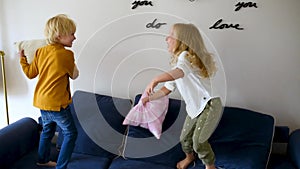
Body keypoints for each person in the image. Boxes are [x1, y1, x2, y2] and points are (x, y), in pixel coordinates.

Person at [142, 23, 223, 169]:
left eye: (171, 36)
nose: (167, 38)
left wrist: (155, 79)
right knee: (184, 139)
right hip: (194, 108)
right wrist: (149, 98)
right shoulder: (180, 65)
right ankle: (189, 158)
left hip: (209, 105)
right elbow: (167, 88)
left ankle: (210, 166)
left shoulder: (186, 58)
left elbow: (178, 72)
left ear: (183, 41)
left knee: (199, 142)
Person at [20, 14, 79, 169]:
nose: (74, 37)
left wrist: (22, 59)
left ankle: (43, 159)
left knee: (47, 130)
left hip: (42, 101)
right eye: (72, 34)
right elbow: (74, 75)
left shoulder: (40, 51)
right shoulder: (66, 54)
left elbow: (30, 73)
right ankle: (61, 166)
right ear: (59, 36)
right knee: (71, 133)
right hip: (57, 104)